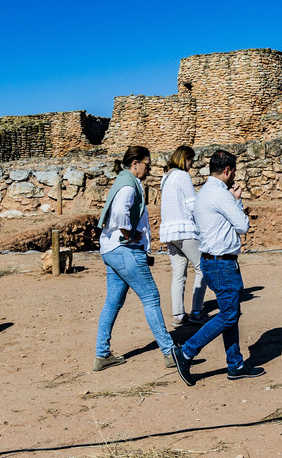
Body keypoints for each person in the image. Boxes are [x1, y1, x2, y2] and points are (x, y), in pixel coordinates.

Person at [172, 150, 265, 385]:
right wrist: (237, 200)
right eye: (233, 171)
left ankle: (235, 364)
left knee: (230, 314)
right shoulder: (221, 194)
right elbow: (243, 225)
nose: (234, 176)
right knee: (229, 314)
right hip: (222, 264)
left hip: (213, 261)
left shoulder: (205, 191)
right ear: (227, 170)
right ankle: (186, 352)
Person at [93, 146, 179, 370]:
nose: (148, 169)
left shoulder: (123, 181)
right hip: (125, 251)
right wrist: (129, 233)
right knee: (150, 297)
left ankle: (102, 354)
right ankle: (170, 352)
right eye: (146, 164)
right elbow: (121, 212)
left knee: (113, 302)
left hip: (111, 250)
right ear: (135, 164)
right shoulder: (129, 186)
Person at [160, 145, 209, 328]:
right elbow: (192, 204)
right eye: (191, 160)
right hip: (184, 230)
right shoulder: (182, 175)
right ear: (185, 159)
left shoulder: (165, 178)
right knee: (202, 267)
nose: (191, 165)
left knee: (178, 273)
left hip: (169, 232)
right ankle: (196, 311)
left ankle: (178, 314)